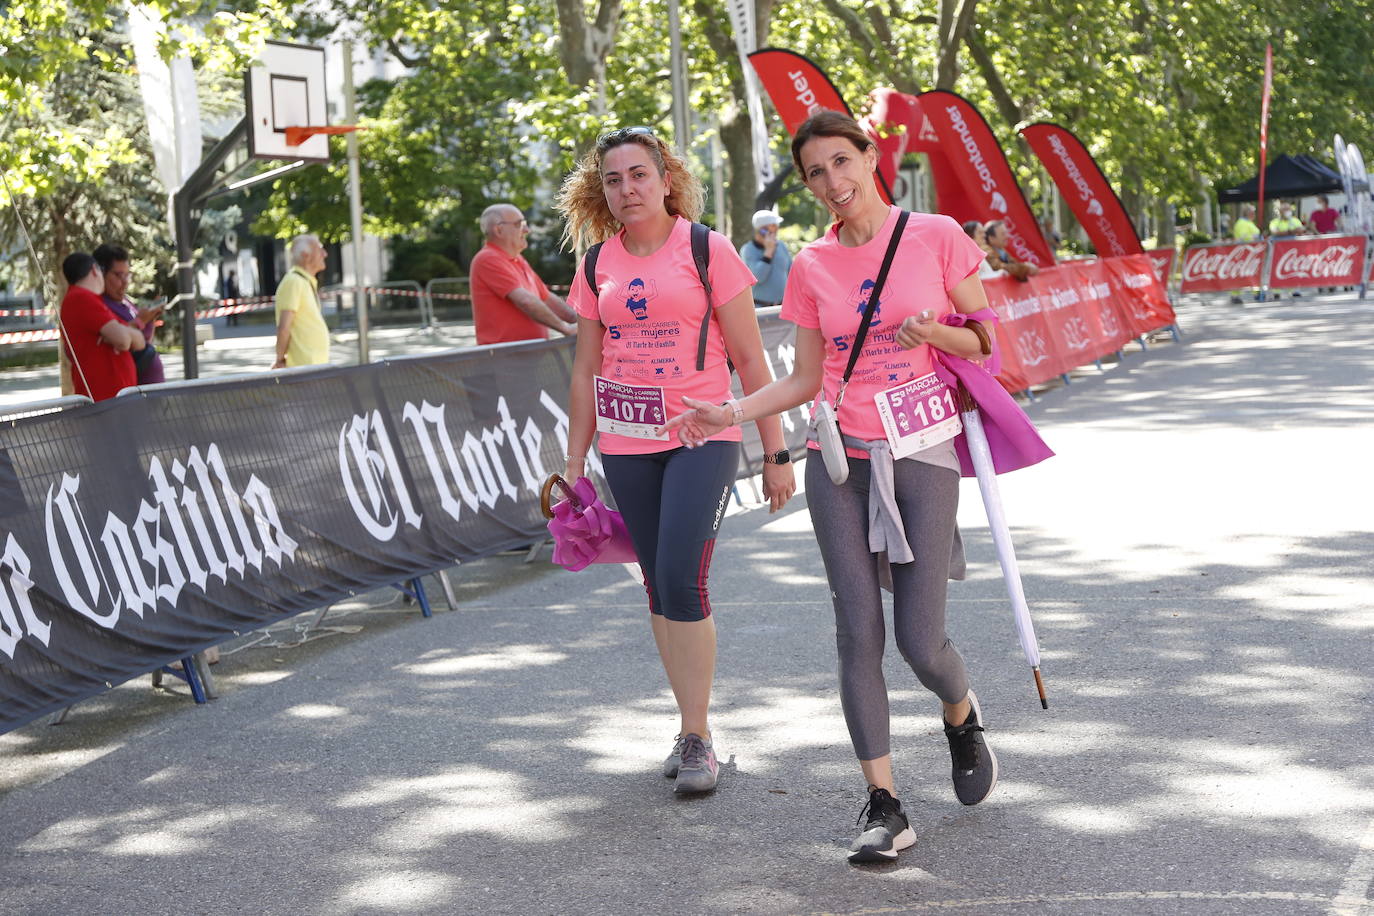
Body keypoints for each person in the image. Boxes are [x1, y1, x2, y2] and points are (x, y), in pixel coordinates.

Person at [662, 110, 999, 864]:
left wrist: (933, 331)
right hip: (840, 458)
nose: (833, 183)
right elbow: (806, 379)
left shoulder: (937, 234)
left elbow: (988, 341)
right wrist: (734, 411)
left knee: (919, 639)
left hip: (921, 447)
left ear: (872, 156)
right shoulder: (811, 264)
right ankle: (884, 804)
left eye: (842, 162)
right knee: (857, 632)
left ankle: (960, 713)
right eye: (817, 173)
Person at [554, 125, 795, 796]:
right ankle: (690, 726)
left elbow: (752, 360)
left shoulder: (706, 247)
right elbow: (584, 374)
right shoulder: (596, 264)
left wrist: (774, 451)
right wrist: (573, 463)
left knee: (684, 578)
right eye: (612, 179)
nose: (626, 189)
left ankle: (697, 736)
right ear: (601, 191)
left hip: (703, 435)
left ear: (665, 179)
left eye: (638, 174)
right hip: (626, 443)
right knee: (657, 584)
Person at [470, 204, 578, 344]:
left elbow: (547, 298)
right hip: (505, 357)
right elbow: (525, 301)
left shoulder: (517, 259)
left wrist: (581, 320)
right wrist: (565, 328)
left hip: (522, 355)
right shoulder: (487, 259)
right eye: (519, 224)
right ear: (499, 230)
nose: (527, 230)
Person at [58, 252, 144, 402]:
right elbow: (124, 341)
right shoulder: (82, 298)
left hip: (113, 398)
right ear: (94, 269)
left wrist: (120, 333)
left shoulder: (90, 300)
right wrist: (122, 333)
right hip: (106, 399)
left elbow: (140, 341)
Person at [93, 243, 164, 385]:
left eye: (127, 275)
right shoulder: (99, 306)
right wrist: (140, 321)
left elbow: (145, 342)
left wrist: (151, 317)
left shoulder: (125, 301)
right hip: (130, 392)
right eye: (118, 275)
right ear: (101, 273)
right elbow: (120, 340)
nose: (125, 282)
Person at [273, 234, 330, 369]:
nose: (325, 254)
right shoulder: (294, 281)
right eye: (320, 249)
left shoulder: (303, 281)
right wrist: (280, 359)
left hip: (311, 365)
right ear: (305, 254)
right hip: (303, 367)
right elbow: (284, 328)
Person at [739, 208, 793, 307]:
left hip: (782, 306)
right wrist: (768, 252)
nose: (777, 228)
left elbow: (792, 272)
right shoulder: (748, 250)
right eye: (773, 226)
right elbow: (758, 277)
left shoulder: (781, 245)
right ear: (762, 229)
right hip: (760, 307)